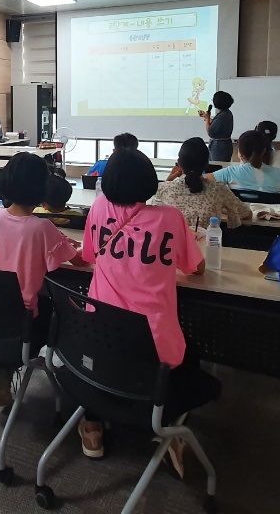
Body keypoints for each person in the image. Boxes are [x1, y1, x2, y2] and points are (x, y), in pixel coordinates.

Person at [79, 148, 208, 461]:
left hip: (98, 340)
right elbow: (197, 268)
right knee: (193, 356)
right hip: (154, 349)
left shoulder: (98, 207)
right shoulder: (171, 218)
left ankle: (92, 422)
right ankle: (168, 427)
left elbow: (88, 255)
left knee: (115, 355)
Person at [0, 153, 84, 408]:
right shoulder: (42, 228)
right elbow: (79, 262)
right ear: (42, 189)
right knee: (65, 312)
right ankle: (74, 376)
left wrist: (57, 238)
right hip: (30, 315)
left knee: (15, 327)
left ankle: (1, 368)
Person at [158, 137, 252, 228]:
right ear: (206, 163)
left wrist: (168, 180)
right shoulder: (219, 190)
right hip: (207, 239)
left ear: (179, 162)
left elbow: (154, 213)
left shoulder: (164, 189)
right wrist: (220, 207)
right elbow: (246, 213)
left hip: (173, 239)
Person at [208, 130, 280, 194]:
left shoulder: (229, 173)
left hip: (239, 210)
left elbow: (202, 180)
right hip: (270, 210)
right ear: (263, 151)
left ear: (240, 153)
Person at [200, 91, 235, 162]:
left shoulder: (223, 115)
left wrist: (207, 118)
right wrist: (206, 117)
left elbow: (210, 131)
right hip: (222, 145)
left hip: (219, 147)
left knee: (216, 165)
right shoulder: (226, 113)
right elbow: (215, 124)